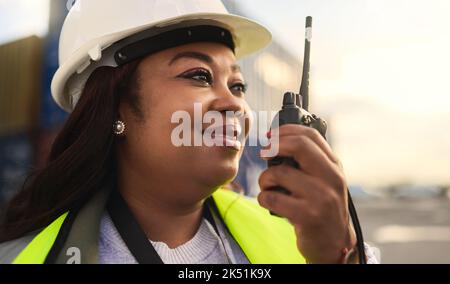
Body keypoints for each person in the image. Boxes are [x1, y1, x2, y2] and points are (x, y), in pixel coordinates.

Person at [0, 0, 378, 264]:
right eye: (198, 75)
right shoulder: (23, 257)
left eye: (238, 85)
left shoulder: (300, 238)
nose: (234, 104)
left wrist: (342, 256)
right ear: (115, 108)